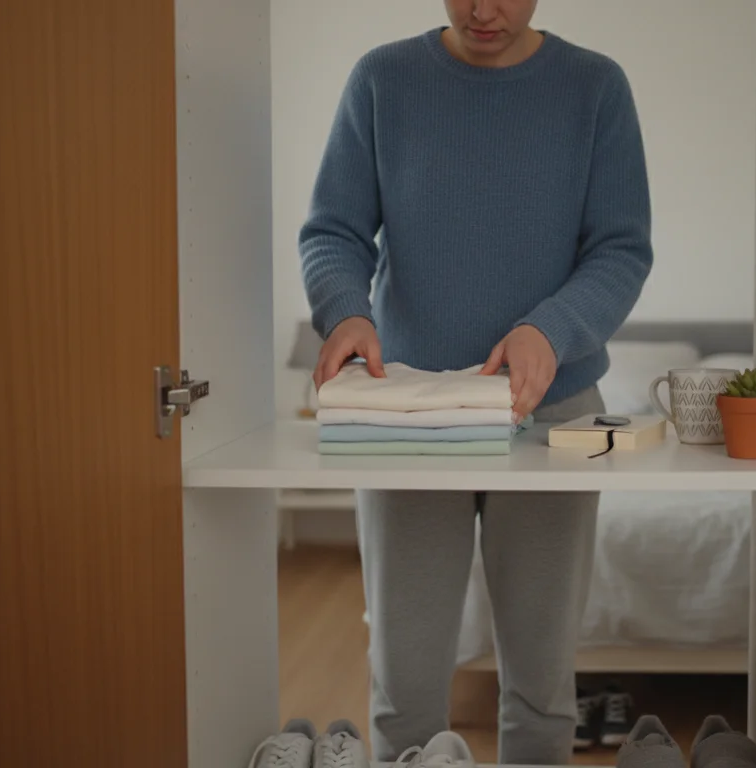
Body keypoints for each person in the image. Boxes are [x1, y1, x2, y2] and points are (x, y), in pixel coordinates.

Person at [299, 1, 652, 764]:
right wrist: (344, 314)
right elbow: (334, 230)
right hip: (404, 412)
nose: (482, 10)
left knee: (543, 685)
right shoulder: (382, 81)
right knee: (405, 684)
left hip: (553, 413)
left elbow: (622, 250)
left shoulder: (595, 88)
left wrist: (547, 330)